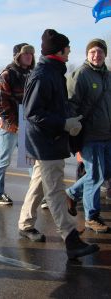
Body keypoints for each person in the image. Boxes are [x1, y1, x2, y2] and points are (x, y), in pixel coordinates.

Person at [22, 29, 99, 259]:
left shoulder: (52, 71)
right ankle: (71, 239)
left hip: (49, 139)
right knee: (55, 191)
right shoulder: (43, 74)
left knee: (39, 181)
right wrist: (64, 124)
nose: (70, 52)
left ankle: (25, 222)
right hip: (46, 141)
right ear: (59, 50)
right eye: (68, 48)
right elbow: (32, 113)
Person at [65, 38, 111, 233]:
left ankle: (71, 193)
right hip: (89, 134)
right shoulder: (81, 74)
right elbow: (71, 105)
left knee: (105, 172)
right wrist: (75, 139)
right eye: (92, 51)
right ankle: (92, 217)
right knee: (94, 175)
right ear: (87, 54)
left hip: (107, 133)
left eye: (100, 52)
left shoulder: (108, 75)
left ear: (105, 55)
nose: (96, 55)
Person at [0, 43, 35, 205]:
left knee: (29, 160)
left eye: (31, 53)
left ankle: (37, 195)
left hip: (27, 122)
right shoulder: (8, 74)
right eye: (26, 54)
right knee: (4, 159)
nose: (29, 56)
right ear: (17, 56)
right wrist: (15, 123)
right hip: (10, 124)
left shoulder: (31, 73)